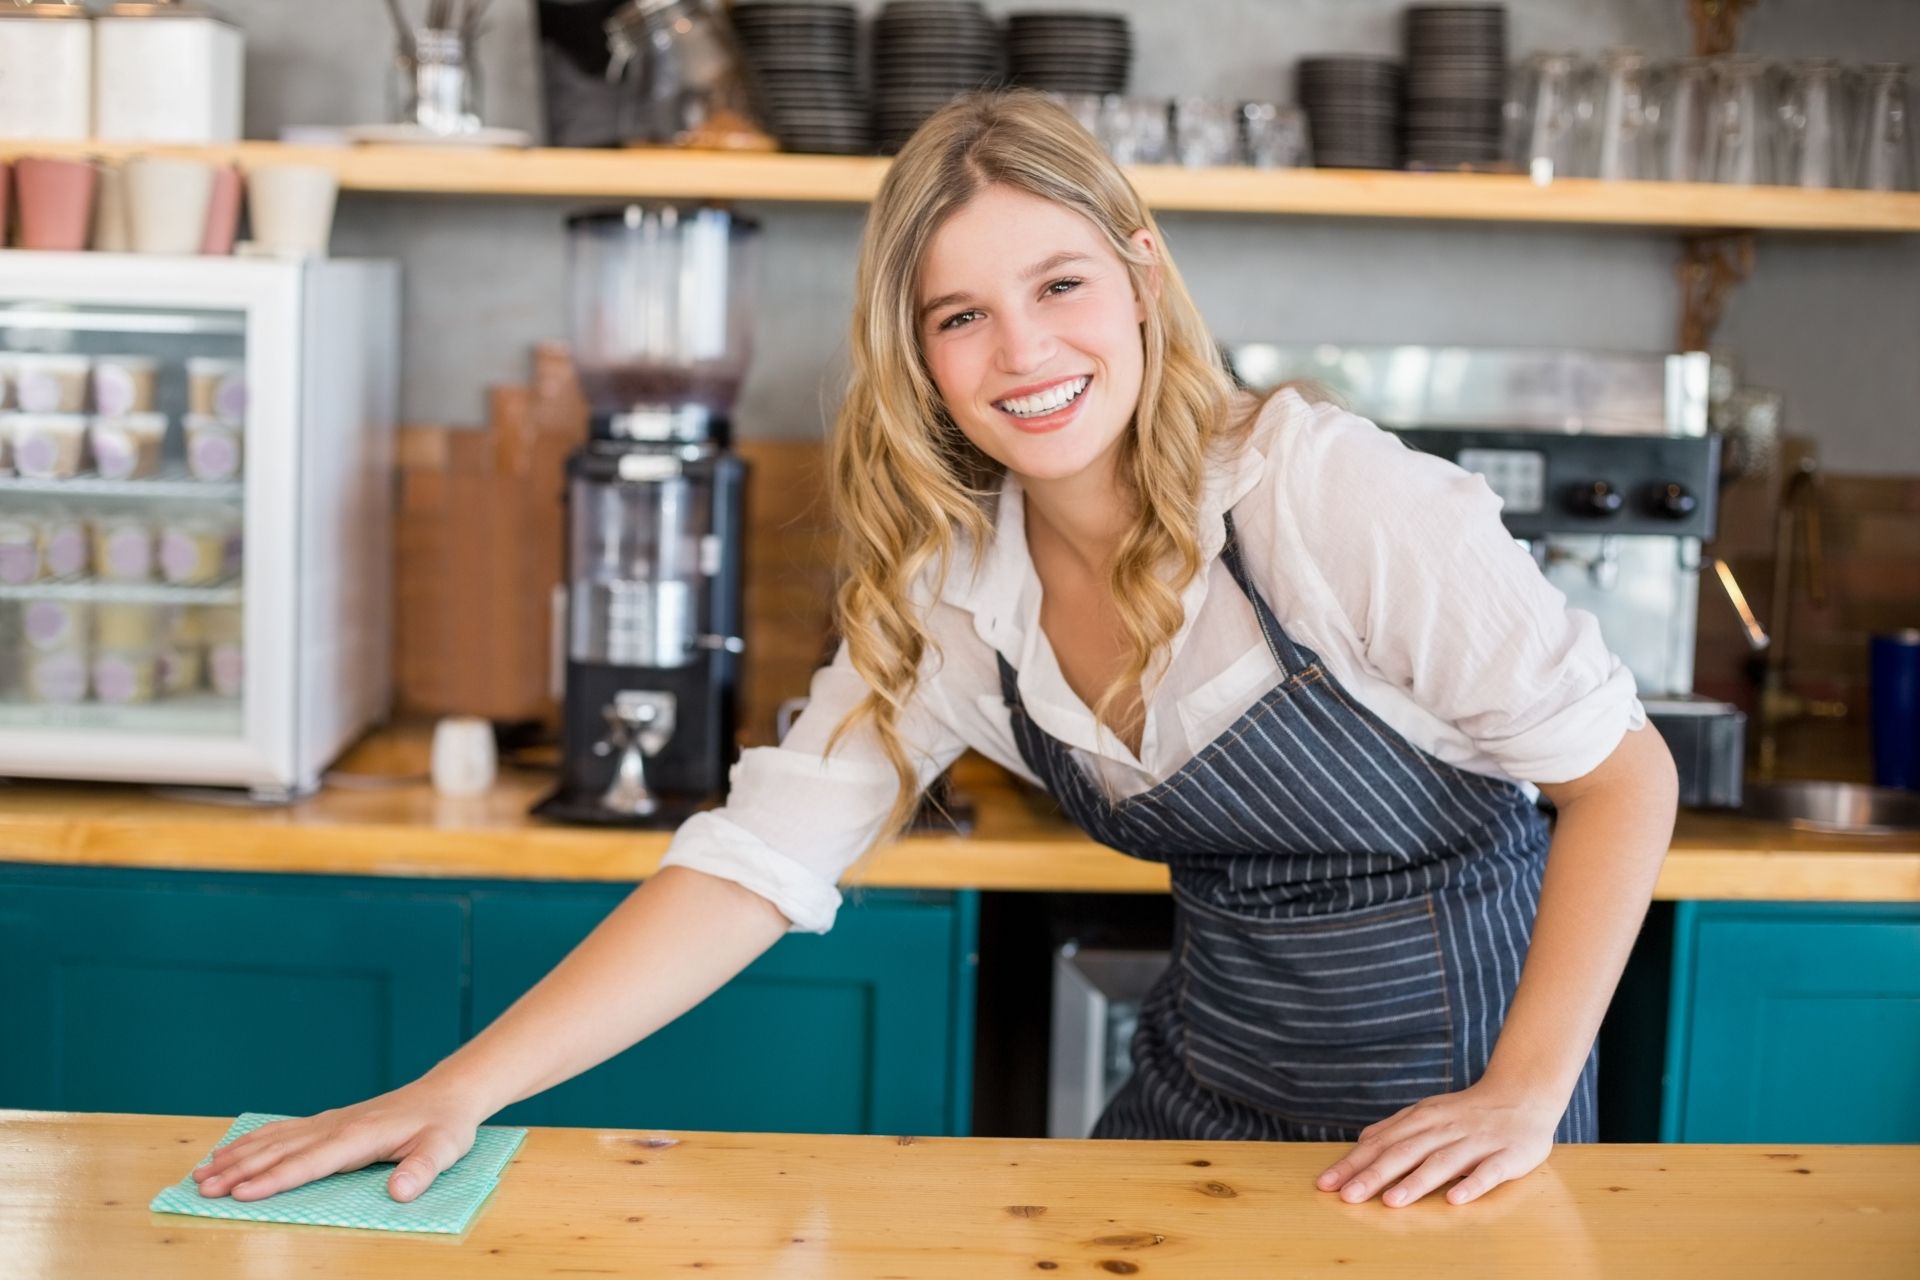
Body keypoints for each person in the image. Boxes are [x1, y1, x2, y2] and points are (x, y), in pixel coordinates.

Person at [190, 91, 1677, 1212]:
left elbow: (1625, 781)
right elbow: (756, 864)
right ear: (919, 357)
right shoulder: (960, 589)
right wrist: (455, 1094)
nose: (1023, 354)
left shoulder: (1321, 497)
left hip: (1456, 1125)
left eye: (1060, 285)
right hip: (1196, 1106)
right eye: (961, 316)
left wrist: (1525, 1091)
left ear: (1143, 278)